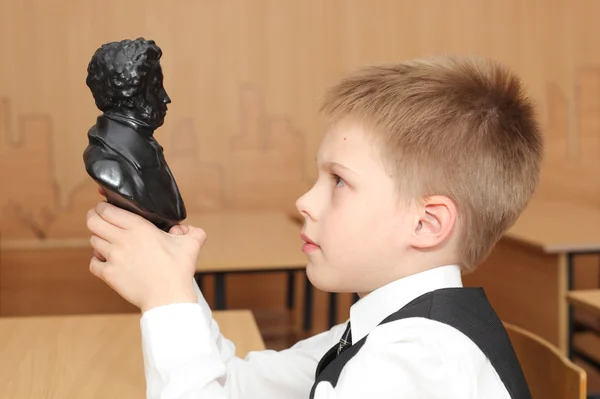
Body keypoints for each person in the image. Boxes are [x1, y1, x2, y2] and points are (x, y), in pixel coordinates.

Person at [86, 54, 543, 398]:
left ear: (426, 223)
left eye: (339, 181)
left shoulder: (415, 364)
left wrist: (165, 299)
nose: (304, 201)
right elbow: (240, 386)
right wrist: (173, 282)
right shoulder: (380, 329)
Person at [84, 37, 186, 232]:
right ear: (130, 94)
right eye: (156, 87)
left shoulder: (148, 149)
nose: (166, 98)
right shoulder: (105, 163)